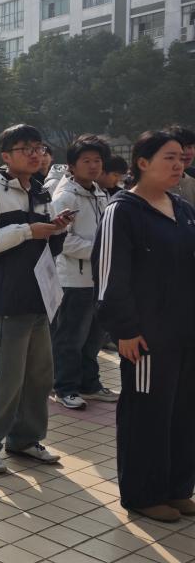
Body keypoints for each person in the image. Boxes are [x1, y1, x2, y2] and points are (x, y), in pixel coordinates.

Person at [94, 130, 195, 523]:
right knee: (147, 414)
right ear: (142, 162)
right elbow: (110, 278)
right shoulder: (123, 211)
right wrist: (124, 330)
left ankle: (177, 488)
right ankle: (143, 494)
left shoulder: (182, 209)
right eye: (170, 157)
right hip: (147, 338)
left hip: (186, 333)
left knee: (183, 412)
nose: (179, 164)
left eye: (182, 158)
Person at [0, 124, 73, 473]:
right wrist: (27, 231)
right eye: (25, 148)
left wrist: (56, 228)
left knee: (39, 375)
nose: (35, 154)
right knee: (4, 377)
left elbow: (44, 242)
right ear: (6, 156)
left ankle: (25, 439)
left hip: (37, 295)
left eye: (38, 147)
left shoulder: (39, 191)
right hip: (6, 299)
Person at [50, 135, 117, 410]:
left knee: (93, 338)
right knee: (70, 338)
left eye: (97, 160)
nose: (93, 166)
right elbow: (62, 240)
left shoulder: (100, 193)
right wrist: (100, 250)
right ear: (72, 166)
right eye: (86, 161)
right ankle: (64, 387)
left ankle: (89, 384)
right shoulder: (65, 196)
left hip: (99, 279)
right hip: (73, 280)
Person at [166, 125, 195, 207]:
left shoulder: (192, 180)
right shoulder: (153, 183)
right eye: (185, 147)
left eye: (192, 147)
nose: (191, 152)